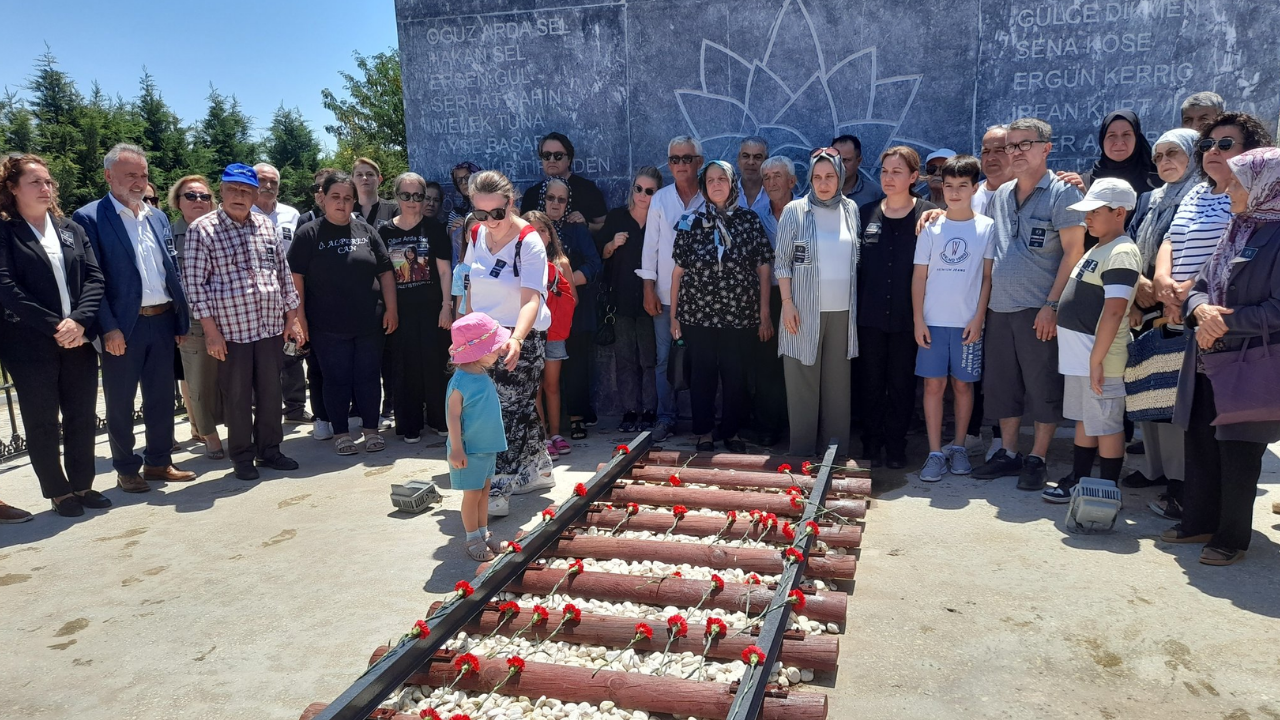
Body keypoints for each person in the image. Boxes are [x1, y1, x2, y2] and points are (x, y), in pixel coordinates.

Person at [1147, 112, 1273, 519]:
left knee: (1235, 443)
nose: (1212, 153)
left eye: (1225, 145)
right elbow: (1183, 253)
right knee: (1196, 428)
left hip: (1240, 342)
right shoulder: (1211, 203)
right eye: (1207, 145)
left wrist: (1208, 312)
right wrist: (1185, 300)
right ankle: (1195, 512)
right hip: (1195, 327)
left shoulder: (1261, 224)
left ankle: (1228, 528)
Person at [1161, 146, 1280, 566]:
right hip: (1208, 356)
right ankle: (1198, 521)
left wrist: (1224, 320)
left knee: (1239, 452)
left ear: (1265, 186)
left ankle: (1231, 537)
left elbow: (1278, 309)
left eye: (1239, 181)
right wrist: (1198, 309)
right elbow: (1200, 284)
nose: (1227, 187)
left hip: (1247, 360)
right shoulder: (1237, 227)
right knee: (1200, 438)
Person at [969, 119, 1087, 490]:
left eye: (1024, 145)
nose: (1015, 152)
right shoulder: (1001, 194)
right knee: (1003, 387)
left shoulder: (1062, 194)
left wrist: (1052, 305)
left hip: (1039, 310)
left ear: (1045, 149)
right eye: (1011, 146)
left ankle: (1037, 457)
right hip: (1000, 309)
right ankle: (1008, 452)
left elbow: (1073, 253)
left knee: (1042, 388)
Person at [73, 143, 194, 493]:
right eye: (131, 175)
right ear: (109, 176)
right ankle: (127, 468)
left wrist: (180, 320)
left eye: (143, 175)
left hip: (162, 319)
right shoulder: (90, 217)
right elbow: (91, 280)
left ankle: (158, 462)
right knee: (121, 403)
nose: (139, 182)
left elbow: (169, 269)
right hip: (123, 326)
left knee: (160, 397)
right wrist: (108, 327)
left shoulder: (155, 216)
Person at [0, 154, 106, 516]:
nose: (46, 188)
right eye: (35, 182)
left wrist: (78, 321)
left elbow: (94, 278)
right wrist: (55, 326)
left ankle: (83, 485)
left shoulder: (69, 228)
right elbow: (7, 287)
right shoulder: (5, 231)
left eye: (49, 182)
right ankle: (59, 492)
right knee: (42, 419)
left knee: (81, 415)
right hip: (29, 343)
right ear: (13, 188)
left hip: (77, 339)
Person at [184, 164, 303, 480]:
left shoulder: (264, 225)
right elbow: (194, 286)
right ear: (221, 191)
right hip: (231, 332)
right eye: (234, 189)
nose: (240, 196)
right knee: (236, 398)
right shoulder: (203, 230)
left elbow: (282, 274)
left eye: (246, 190)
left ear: (255, 194)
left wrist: (292, 319)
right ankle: (241, 457)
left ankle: (270, 450)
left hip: (268, 327)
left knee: (269, 393)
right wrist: (210, 332)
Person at [460, 170, 555, 517]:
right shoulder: (476, 233)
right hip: (484, 338)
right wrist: (467, 329)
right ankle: (537, 471)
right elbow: (471, 282)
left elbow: (531, 299)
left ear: (510, 204)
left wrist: (516, 338)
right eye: (481, 214)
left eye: (497, 214)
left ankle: (498, 484)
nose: (490, 222)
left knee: (504, 412)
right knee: (513, 407)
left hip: (521, 337)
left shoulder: (529, 241)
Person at [1039, 178, 1142, 502]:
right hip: (1083, 357)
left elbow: (1114, 312)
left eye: (1095, 212)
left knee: (1108, 424)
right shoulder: (1099, 246)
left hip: (1102, 360)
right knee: (1086, 419)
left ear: (1119, 212)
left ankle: (1106, 491)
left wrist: (1097, 360)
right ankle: (1079, 479)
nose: (1088, 218)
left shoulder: (1123, 251)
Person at [288, 171, 398, 456]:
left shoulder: (366, 231)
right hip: (327, 325)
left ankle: (371, 430)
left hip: (369, 322)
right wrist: (299, 319)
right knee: (336, 379)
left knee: (369, 377)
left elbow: (385, 272)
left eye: (348, 198)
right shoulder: (308, 233)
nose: (342, 203)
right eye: (335, 197)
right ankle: (341, 433)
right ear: (323, 198)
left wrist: (392, 309)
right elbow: (295, 278)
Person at [670, 160, 774, 453]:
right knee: (702, 374)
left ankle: (732, 431)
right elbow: (678, 271)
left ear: (732, 184)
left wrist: (764, 313)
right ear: (704, 187)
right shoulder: (691, 221)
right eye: (711, 180)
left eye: (722, 179)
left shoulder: (748, 220)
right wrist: (675, 316)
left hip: (739, 315)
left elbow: (764, 267)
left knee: (735, 374)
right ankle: (703, 431)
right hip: (697, 314)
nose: (717, 184)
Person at [1121, 129, 1200, 491]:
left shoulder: (1203, 197)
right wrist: (1138, 283)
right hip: (1145, 306)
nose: (1165, 162)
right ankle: (1154, 468)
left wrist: (1170, 293)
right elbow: (1131, 242)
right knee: (1146, 389)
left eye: (1174, 153)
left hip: (1179, 309)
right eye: (1159, 156)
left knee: (1173, 397)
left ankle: (1180, 476)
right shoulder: (1150, 199)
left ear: (1193, 155)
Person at [912, 155, 994, 482]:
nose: (955, 192)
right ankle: (935, 452)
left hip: (968, 324)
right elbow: (919, 277)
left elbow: (987, 278)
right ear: (941, 188)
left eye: (963, 186)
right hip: (933, 322)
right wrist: (918, 320)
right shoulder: (931, 226)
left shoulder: (987, 228)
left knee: (963, 385)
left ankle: (958, 446)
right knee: (933, 385)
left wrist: (979, 317)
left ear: (975, 188)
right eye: (949, 186)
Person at [775, 148, 860, 457]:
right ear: (809, 179)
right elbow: (782, 263)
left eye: (830, 176)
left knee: (838, 390)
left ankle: (834, 457)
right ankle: (801, 456)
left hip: (842, 312)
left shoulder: (851, 209)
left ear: (840, 177)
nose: (824, 183)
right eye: (817, 177)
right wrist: (787, 302)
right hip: (802, 309)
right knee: (802, 385)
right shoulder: (795, 211)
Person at [857, 146, 939, 469]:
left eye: (897, 172)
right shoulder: (865, 214)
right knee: (871, 384)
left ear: (914, 177)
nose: (889, 178)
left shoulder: (929, 215)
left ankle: (896, 448)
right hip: (870, 318)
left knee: (902, 385)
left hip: (909, 319)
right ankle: (870, 446)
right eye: (885, 172)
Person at [640, 136, 707, 442]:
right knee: (665, 359)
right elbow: (650, 247)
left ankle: (703, 420)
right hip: (666, 297)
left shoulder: (712, 196)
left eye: (687, 158)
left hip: (706, 299)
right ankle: (666, 417)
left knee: (704, 358)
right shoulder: (661, 199)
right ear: (669, 165)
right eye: (675, 159)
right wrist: (648, 288)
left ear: (699, 162)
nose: (681, 164)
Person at [381, 172, 454, 443]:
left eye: (418, 196)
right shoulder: (385, 231)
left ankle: (439, 419)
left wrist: (447, 307)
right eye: (406, 195)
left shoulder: (434, 228)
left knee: (436, 365)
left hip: (433, 310)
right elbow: (385, 274)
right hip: (401, 312)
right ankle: (409, 424)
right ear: (396, 196)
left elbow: (445, 271)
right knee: (404, 367)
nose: (413, 201)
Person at [537, 177, 602, 440]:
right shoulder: (531, 230)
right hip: (538, 312)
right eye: (551, 198)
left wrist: (562, 281)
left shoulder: (577, 230)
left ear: (568, 203)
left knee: (575, 365)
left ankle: (576, 417)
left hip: (572, 310)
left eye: (561, 199)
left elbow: (594, 264)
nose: (555, 203)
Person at [599, 168, 662, 434]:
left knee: (650, 360)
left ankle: (649, 411)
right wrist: (612, 244)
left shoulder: (660, 219)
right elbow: (601, 254)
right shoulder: (617, 217)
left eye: (649, 191)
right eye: (638, 189)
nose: (642, 195)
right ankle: (629, 410)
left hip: (651, 301)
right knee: (625, 360)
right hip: (621, 301)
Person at [445, 312, 510, 561]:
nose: (499, 351)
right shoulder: (460, 381)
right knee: (472, 495)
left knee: (484, 492)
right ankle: (472, 537)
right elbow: (452, 417)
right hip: (468, 450)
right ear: (477, 351)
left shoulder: (480, 374)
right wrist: (456, 448)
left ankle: (483, 532)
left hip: (485, 447)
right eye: (493, 347)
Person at [169, 175, 223, 459]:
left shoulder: (222, 230)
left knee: (232, 380)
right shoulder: (167, 234)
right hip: (190, 320)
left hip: (228, 317)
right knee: (198, 382)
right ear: (178, 202)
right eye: (190, 196)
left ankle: (237, 430)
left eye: (204, 196)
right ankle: (209, 436)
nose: (198, 201)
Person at [251, 162, 309, 426]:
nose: (269, 185)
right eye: (263, 180)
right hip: (254, 299)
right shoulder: (241, 213)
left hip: (286, 295)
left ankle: (295, 407)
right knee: (257, 358)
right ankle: (261, 411)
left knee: (291, 352)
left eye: (274, 181)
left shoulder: (291, 214)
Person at [525, 210, 574, 458]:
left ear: (550, 234)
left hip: (554, 334)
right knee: (534, 387)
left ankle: (556, 433)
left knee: (552, 385)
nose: (538, 235)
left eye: (542, 230)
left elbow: (572, 298)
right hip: (529, 334)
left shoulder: (560, 263)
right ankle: (541, 436)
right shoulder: (519, 262)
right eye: (531, 230)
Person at [519, 132, 608, 231]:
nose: (552, 160)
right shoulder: (531, 194)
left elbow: (606, 227)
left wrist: (586, 225)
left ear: (569, 159)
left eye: (558, 155)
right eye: (546, 155)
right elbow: (522, 230)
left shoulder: (587, 189)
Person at [833, 135, 884, 208]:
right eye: (836, 160)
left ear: (858, 161)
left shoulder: (876, 194)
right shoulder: (820, 192)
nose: (840, 165)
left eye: (846, 160)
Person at [973, 126, 1013, 215]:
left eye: (998, 151)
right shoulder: (968, 196)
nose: (990, 158)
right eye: (985, 151)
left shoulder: (1031, 195)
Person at [448, 161, 481, 262]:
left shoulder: (491, 205)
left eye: (467, 178)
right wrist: (453, 231)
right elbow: (451, 243)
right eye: (459, 180)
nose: (463, 183)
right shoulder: (456, 213)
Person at [351, 157, 399, 226]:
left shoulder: (393, 209)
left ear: (379, 179)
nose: (364, 178)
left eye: (370, 174)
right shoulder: (347, 211)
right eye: (359, 175)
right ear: (352, 180)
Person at [737, 136, 772, 218]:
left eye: (757, 157)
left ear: (766, 162)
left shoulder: (775, 194)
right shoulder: (727, 193)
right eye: (745, 156)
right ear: (738, 160)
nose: (751, 162)